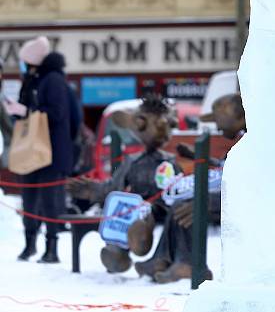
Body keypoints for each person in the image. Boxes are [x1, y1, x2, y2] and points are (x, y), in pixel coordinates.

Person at [134, 93, 245, 283]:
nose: (217, 126)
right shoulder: (245, 140)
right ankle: (162, 259)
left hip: (245, 203)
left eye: (218, 120)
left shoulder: (253, 142)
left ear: (237, 116)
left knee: (187, 204)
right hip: (231, 198)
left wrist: (207, 201)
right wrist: (198, 157)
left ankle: (188, 265)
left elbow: (247, 188)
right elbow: (228, 170)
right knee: (180, 202)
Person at [66, 95, 181, 273]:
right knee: (120, 211)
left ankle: (143, 238)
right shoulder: (132, 161)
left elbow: (176, 189)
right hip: (133, 205)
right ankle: (117, 251)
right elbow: (115, 186)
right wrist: (94, 190)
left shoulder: (168, 162)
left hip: (158, 207)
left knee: (145, 215)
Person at [16, 38, 79, 263]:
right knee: (29, 200)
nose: (21, 64)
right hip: (31, 151)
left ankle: (51, 249)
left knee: (50, 201)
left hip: (51, 153)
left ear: (32, 60)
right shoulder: (32, 80)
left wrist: (26, 109)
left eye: (24, 61)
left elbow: (57, 114)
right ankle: (29, 245)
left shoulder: (53, 80)